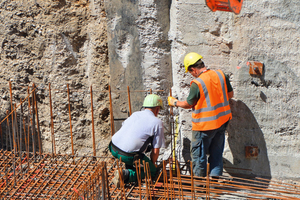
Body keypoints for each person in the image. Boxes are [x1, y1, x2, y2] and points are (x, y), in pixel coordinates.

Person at [168, 52, 233, 179]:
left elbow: (188, 104)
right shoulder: (220, 75)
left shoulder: (197, 83)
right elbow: (230, 95)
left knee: (198, 156)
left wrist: (174, 102)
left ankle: (200, 186)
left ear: (193, 69)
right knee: (216, 153)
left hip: (204, 126)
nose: (191, 75)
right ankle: (214, 182)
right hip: (222, 122)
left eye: (190, 72)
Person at [109, 94, 165, 187]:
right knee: (152, 171)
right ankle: (126, 175)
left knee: (137, 152)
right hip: (127, 155)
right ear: (157, 109)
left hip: (113, 147)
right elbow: (155, 150)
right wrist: (153, 164)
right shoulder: (157, 122)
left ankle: (127, 170)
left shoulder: (135, 114)